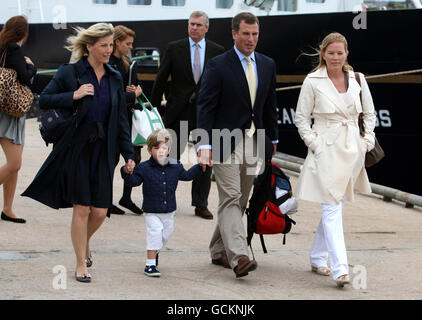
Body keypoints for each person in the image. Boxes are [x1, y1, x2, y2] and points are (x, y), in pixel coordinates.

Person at [22, 23, 135, 283]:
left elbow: (120, 119)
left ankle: (83, 245)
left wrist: (128, 154)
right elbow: (45, 99)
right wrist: (74, 94)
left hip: (104, 149)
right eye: (104, 45)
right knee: (82, 208)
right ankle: (80, 263)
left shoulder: (115, 76)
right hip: (78, 148)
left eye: (110, 45)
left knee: (100, 211)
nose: (109, 50)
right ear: (89, 47)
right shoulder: (70, 72)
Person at [196, 12, 278, 278]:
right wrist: (203, 144)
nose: (251, 39)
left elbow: (269, 105)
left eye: (255, 34)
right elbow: (205, 106)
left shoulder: (267, 64)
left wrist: (272, 139)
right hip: (222, 140)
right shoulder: (218, 65)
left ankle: (218, 249)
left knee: (241, 199)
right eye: (245, 33)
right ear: (234, 34)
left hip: (254, 140)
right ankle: (239, 256)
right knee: (230, 197)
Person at [294, 32, 376, 287]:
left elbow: (370, 113)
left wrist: (367, 141)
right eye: (331, 53)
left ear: (346, 54)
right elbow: (301, 118)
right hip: (326, 150)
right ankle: (340, 269)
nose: (335, 57)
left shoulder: (357, 79)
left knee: (335, 206)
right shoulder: (312, 80)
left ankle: (318, 258)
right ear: (323, 54)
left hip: (352, 149)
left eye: (340, 53)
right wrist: (315, 144)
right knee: (331, 207)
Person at [151, 11, 225, 220]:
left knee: (205, 156)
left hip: (205, 113)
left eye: (198, 25)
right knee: (171, 157)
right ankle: (166, 198)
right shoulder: (175, 48)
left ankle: (200, 203)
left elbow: (222, 83)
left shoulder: (217, 51)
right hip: (179, 110)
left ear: (206, 28)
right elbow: (161, 78)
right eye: (191, 24)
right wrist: (154, 110)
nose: (194, 28)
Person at [121, 129, 203, 277]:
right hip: (151, 211)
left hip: (169, 210)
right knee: (155, 232)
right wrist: (126, 172)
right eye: (156, 148)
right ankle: (150, 265)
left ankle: (155, 251)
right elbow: (134, 182)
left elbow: (187, 175)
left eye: (164, 148)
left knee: (165, 235)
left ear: (169, 150)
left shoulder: (175, 165)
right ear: (149, 149)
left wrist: (201, 166)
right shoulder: (144, 167)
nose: (160, 151)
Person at [0, 15, 36, 224]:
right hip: (10, 112)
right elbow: (24, 77)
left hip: (4, 108)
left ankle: (7, 208)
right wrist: (32, 66)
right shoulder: (14, 49)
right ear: (23, 32)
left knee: (14, 165)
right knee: (14, 164)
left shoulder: (2, 46)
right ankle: (7, 207)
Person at [108, 25, 143, 216]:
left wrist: (136, 92)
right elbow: (109, 95)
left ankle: (126, 197)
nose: (130, 47)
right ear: (117, 42)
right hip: (113, 119)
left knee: (134, 158)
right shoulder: (108, 64)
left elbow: (135, 87)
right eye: (128, 43)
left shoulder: (127, 64)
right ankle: (106, 199)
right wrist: (130, 95)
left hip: (128, 118)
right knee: (111, 159)